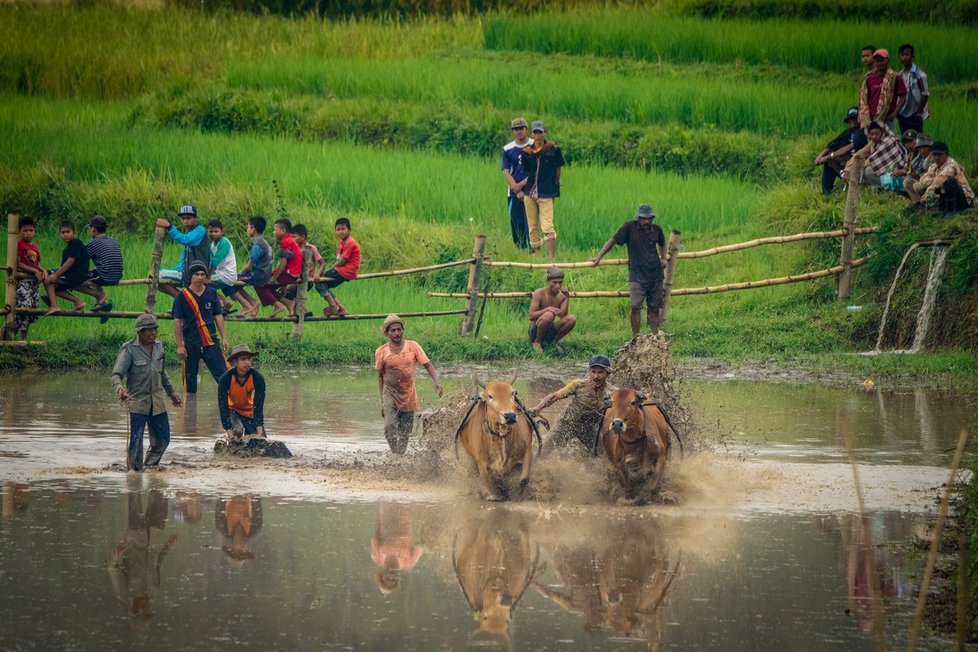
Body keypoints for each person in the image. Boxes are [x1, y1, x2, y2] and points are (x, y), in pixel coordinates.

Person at [111, 314, 182, 471]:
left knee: (163, 439)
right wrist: (120, 389)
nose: (154, 333)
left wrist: (172, 392)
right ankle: (134, 474)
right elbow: (116, 375)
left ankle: (149, 466)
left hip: (157, 402)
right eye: (150, 330)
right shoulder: (129, 349)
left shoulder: (159, 347)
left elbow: (162, 373)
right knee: (136, 442)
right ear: (140, 332)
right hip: (138, 402)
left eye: (155, 329)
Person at [592, 203, 668, 337]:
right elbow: (613, 240)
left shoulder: (657, 230)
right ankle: (636, 337)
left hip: (656, 275)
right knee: (635, 306)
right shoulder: (629, 227)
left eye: (649, 218)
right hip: (637, 276)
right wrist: (599, 257)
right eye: (644, 218)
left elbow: (663, 243)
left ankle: (655, 337)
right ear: (638, 218)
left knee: (654, 308)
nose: (646, 221)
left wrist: (663, 258)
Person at [108, 478, 178, 619]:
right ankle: (156, 473)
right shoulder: (154, 592)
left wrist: (116, 556)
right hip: (154, 538)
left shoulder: (125, 592)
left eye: (143, 613)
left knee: (134, 496)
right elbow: (158, 565)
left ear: (134, 610)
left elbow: (112, 569)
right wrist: (169, 546)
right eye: (148, 613)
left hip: (134, 538)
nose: (146, 609)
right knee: (160, 498)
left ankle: (134, 471)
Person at [375, 314, 443, 454]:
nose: (397, 333)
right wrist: (383, 402)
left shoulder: (413, 346)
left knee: (405, 432)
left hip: (408, 394)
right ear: (387, 333)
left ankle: (401, 456)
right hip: (389, 394)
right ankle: (395, 454)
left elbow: (428, 365)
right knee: (390, 427)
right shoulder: (381, 351)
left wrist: (436, 381)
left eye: (399, 329)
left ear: (403, 330)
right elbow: (380, 377)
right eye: (393, 330)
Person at [530, 355, 617, 455]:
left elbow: (623, 409)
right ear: (589, 372)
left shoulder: (613, 393)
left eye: (600, 372)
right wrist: (538, 408)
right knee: (543, 451)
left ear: (608, 374)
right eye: (593, 372)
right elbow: (555, 396)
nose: (596, 376)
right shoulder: (577, 385)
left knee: (604, 455)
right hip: (566, 424)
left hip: (589, 430)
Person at [171, 261, 230, 394]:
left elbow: (218, 316)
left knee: (223, 377)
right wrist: (180, 345)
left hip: (210, 341)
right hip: (190, 343)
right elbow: (177, 321)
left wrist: (224, 338)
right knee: (190, 383)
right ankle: (190, 412)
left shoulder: (212, 293)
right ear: (191, 276)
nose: (200, 277)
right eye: (196, 274)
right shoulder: (181, 296)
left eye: (203, 274)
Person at [520, 120, 564, 260]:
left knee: (547, 227)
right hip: (530, 193)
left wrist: (555, 184)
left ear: (545, 133)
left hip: (546, 192)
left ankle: (551, 260)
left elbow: (558, 168)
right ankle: (537, 257)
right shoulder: (526, 152)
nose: (538, 136)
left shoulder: (554, 150)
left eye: (540, 132)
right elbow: (527, 171)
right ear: (531, 134)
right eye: (535, 133)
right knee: (532, 227)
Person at [156, 205, 209, 298]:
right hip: (187, 270)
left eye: (188, 218)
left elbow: (184, 239)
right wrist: (175, 269)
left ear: (196, 218)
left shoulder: (199, 231)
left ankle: (183, 300)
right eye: (183, 219)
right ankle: (184, 300)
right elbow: (183, 259)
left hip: (194, 272)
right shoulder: (191, 232)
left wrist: (169, 227)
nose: (185, 221)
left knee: (158, 274)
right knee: (159, 284)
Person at [77, 215, 123, 321]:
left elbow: (81, 262)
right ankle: (102, 306)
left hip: (105, 276)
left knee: (75, 279)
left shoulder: (92, 244)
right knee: (96, 272)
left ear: (93, 229)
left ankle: (100, 296)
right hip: (117, 276)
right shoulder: (114, 241)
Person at [217, 344, 266, 442]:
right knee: (238, 431)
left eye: (249, 359)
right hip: (232, 411)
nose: (247, 362)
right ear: (235, 362)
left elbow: (258, 406)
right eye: (243, 359)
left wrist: (260, 433)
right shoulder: (225, 379)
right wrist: (229, 433)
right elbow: (223, 408)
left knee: (259, 442)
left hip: (249, 412)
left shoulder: (258, 378)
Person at [257, 218, 303, 319]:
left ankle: (278, 306)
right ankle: (289, 304)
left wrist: (275, 277)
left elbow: (284, 262)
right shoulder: (291, 240)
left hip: (290, 273)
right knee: (270, 286)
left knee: (261, 284)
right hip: (294, 273)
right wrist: (274, 273)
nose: (274, 232)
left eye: (275, 230)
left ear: (283, 231)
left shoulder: (285, 242)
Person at [911, 142, 974, 215]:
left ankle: (951, 211)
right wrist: (927, 183)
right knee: (919, 185)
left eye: (940, 155)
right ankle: (940, 208)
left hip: (964, 199)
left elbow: (941, 178)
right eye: (935, 155)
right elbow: (923, 180)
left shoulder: (951, 165)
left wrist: (926, 194)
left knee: (948, 181)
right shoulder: (933, 166)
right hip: (945, 194)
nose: (937, 157)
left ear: (946, 155)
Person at [42, 220, 90, 315]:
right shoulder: (66, 250)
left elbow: (71, 261)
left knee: (49, 275)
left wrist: (56, 275)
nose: (65, 234)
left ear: (74, 232)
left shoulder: (76, 242)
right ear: (60, 234)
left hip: (78, 273)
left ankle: (54, 305)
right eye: (63, 233)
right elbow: (64, 266)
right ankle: (78, 302)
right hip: (72, 274)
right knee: (57, 289)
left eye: (68, 232)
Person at [813, 107, 863, 194]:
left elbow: (849, 147)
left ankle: (845, 177)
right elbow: (833, 143)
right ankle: (826, 191)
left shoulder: (861, 132)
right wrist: (820, 156)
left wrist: (829, 156)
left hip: (858, 159)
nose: (852, 122)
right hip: (848, 158)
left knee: (831, 158)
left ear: (859, 119)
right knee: (829, 161)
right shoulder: (848, 132)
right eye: (850, 120)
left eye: (854, 119)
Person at [528, 266, 576, 355]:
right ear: (547, 281)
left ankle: (553, 342)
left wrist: (567, 297)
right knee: (549, 315)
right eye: (554, 282)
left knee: (571, 318)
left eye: (560, 283)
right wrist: (548, 309)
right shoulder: (539, 293)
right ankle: (537, 342)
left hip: (549, 328)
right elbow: (531, 316)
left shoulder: (562, 295)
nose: (558, 285)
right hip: (535, 329)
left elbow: (562, 316)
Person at [206, 219, 250, 316]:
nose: (213, 234)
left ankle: (225, 301)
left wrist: (208, 277)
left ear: (222, 231)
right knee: (204, 286)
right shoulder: (212, 245)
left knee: (200, 282)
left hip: (226, 274)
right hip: (221, 274)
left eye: (216, 231)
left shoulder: (224, 242)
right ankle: (227, 303)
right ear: (207, 232)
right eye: (211, 231)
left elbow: (215, 261)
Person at [319, 217, 361, 318]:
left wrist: (330, 269)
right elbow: (340, 259)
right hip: (345, 270)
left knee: (319, 281)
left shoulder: (350, 242)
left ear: (349, 230)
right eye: (338, 229)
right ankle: (340, 307)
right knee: (323, 284)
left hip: (347, 270)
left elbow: (342, 261)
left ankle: (334, 306)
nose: (340, 232)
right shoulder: (342, 242)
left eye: (343, 229)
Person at [844, 121, 906, 189]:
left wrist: (854, 169)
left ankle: (885, 187)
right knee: (863, 171)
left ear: (882, 132)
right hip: (884, 168)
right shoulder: (873, 143)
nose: (874, 136)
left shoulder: (888, 141)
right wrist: (847, 169)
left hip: (897, 168)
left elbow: (871, 160)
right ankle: (878, 186)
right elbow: (860, 153)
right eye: (872, 134)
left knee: (868, 171)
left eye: (877, 134)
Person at [858, 49, 907, 133]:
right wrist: (865, 115)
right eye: (877, 61)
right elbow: (864, 98)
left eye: (882, 60)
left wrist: (894, 114)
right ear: (874, 62)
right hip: (870, 119)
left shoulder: (895, 77)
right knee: (873, 144)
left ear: (888, 60)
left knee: (889, 143)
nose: (880, 63)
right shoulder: (869, 78)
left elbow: (903, 97)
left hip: (887, 118)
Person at [501, 117, 531, 249]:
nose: (518, 132)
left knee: (532, 223)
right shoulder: (508, 149)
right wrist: (517, 189)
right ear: (513, 131)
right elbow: (505, 171)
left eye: (521, 129)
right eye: (515, 129)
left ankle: (533, 251)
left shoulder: (533, 145)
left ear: (526, 129)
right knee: (516, 223)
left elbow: (538, 169)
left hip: (531, 190)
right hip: (514, 193)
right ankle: (519, 251)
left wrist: (523, 187)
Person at [236, 215, 274, 319]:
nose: (247, 230)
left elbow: (249, 266)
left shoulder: (257, 245)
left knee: (232, 281)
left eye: (248, 227)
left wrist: (239, 273)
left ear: (253, 228)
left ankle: (251, 303)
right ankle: (253, 303)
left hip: (258, 275)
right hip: (265, 273)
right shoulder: (265, 242)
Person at [14, 217, 45, 339]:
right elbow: (18, 263)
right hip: (23, 282)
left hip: (34, 283)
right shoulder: (18, 244)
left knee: (31, 309)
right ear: (20, 231)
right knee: (23, 308)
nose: (28, 233)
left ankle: (24, 338)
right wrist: (34, 271)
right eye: (25, 230)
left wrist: (42, 271)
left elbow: (36, 264)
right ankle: (6, 336)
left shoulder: (35, 247)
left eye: (30, 230)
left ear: (34, 231)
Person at [897, 44, 929, 135]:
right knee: (905, 140)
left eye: (907, 55)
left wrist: (919, 111)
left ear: (912, 56)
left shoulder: (919, 75)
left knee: (917, 140)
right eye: (902, 55)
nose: (904, 57)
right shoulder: (900, 75)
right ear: (898, 57)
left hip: (914, 114)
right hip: (902, 114)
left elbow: (925, 94)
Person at [903, 135, 934, 203]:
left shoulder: (934, 157)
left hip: (932, 184)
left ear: (930, 148)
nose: (921, 150)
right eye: (919, 148)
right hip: (923, 181)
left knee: (917, 186)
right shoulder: (919, 158)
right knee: (907, 181)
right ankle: (917, 204)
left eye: (924, 147)